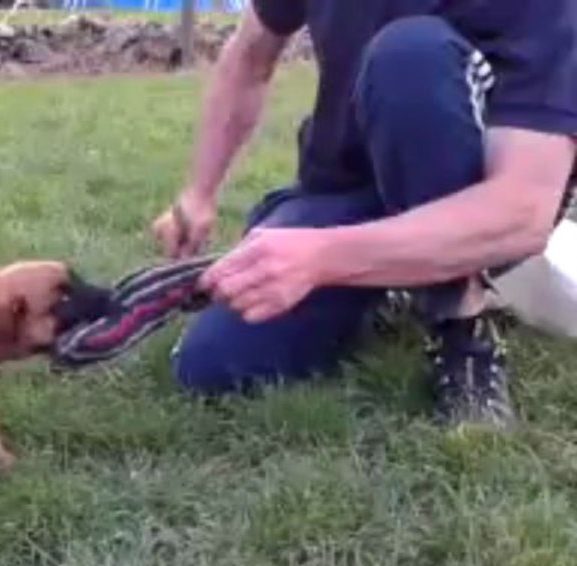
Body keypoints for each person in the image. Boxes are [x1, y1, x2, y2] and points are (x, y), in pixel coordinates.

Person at [151, 1, 577, 429]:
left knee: (410, 56)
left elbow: (522, 210)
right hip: (348, 188)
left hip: (469, 198)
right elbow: (250, 54)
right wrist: (198, 194)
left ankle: (461, 328)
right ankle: (388, 284)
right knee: (212, 363)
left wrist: (321, 258)